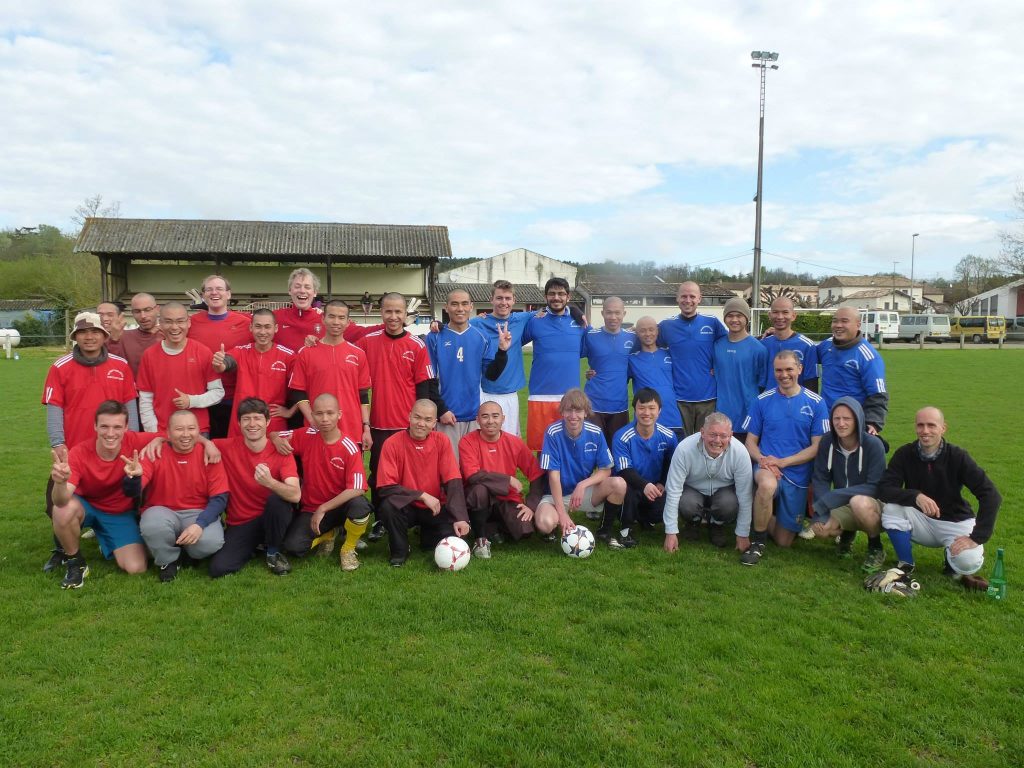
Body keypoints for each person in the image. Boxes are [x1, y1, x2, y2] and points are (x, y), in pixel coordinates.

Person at [41, 311, 139, 570]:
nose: (89, 337)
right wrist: (57, 442)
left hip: (113, 446)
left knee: (119, 492)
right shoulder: (60, 367)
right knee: (58, 498)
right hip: (75, 448)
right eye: (83, 332)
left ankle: (113, 534)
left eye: (95, 332)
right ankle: (62, 550)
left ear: (105, 336)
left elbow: (130, 404)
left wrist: (133, 441)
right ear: (75, 336)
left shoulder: (121, 366)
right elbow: (54, 407)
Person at [877, 406, 1001, 591]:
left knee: (968, 562)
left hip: (955, 523)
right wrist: (915, 496)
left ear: (943, 428)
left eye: (931, 425)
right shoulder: (905, 454)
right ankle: (906, 564)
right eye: (920, 425)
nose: (925, 431)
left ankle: (952, 561)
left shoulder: (958, 456)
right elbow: (884, 489)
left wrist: (976, 538)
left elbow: (991, 495)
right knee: (891, 510)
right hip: (922, 521)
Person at [357, 292, 440, 540]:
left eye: (398, 312)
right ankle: (382, 520)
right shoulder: (367, 342)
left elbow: (424, 387)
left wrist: (423, 423)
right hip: (380, 425)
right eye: (388, 311)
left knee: (412, 473)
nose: (393, 316)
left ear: (406, 315)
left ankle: (414, 515)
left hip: (409, 426)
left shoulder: (417, 345)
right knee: (380, 475)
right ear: (380, 313)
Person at [48, 401, 151, 589]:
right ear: (95, 426)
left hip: (118, 513)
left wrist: (161, 440)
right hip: (86, 508)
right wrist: (60, 483)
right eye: (104, 426)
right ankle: (75, 562)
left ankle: (105, 540)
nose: (110, 433)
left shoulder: (136, 441)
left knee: (136, 568)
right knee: (63, 510)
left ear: (126, 427)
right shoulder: (79, 452)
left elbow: (178, 432)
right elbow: (60, 501)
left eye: (117, 427)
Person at [740, 350, 830, 565]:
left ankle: (760, 514)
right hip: (767, 468)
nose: (784, 374)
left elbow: (817, 446)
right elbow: (750, 442)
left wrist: (783, 462)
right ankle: (758, 542)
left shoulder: (817, 403)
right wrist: (763, 460)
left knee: (784, 541)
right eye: (779, 370)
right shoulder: (762, 401)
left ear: (799, 369)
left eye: (789, 369)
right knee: (767, 486)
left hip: (797, 474)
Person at [469, 280, 587, 436]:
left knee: (510, 443)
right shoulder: (478, 322)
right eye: (499, 298)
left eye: (507, 298)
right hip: (484, 391)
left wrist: (576, 311)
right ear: (491, 300)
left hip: (511, 394)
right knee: (484, 440)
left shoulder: (522, 319)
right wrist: (438, 325)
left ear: (514, 301)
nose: (503, 302)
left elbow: (556, 306)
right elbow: (457, 327)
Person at [272, 394, 373, 571]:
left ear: (339, 414)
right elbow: (273, 434)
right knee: (294, 547)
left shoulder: (348, 446)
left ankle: (348, 548)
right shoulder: (306, 435)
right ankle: (329, 534)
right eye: (319, 413)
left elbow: (358, 488)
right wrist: (275, 439)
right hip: (311, 507)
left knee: (360, 506)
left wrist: (324, 508)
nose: (325, 419)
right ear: (312, 415)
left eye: (330, 413)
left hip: (340, 507)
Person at [126, 410, 228, 582]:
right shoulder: (154, 452)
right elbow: (132, 492)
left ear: (198, 431)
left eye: (191, 428)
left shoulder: (209, 453)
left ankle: (183, 551)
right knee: (153, 525)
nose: (186, 434)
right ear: (168, 433)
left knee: (211, 543)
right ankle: (168, 561)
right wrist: (133, 478)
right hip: (161, 511)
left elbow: (220, 498)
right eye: (179, 429)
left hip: (197, 513)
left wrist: (199, 525)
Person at [208, 398, 301, 578]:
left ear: (267, 422)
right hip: (242, 521)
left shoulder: (281, 451)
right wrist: (206, 444)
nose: (252, 424)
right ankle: (255, 546)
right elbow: (189, 437)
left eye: (257, 418)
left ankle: (273, 551)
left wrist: (270, 483)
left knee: (277, 500)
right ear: (239, 423)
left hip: (272, 517)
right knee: (218, 568)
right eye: (246, 419)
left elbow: (296, 495)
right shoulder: (226, 446)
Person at [375, 400, 471, 567]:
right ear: (409, 417)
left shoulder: (442, 441)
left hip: (435, 508)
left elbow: (453, 480)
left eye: (427, 420)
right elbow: (385, 487)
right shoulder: (392, 443)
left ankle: (426, 534)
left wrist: (460, 517)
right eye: (417, 417)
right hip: (408, 506)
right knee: (388, 506)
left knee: (446, 539)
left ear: (434, 423)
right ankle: (400, 550)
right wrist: (421, 495)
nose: (421, 423)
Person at [427, 289, 510, 457]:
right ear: (446, 308)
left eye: (465, 304)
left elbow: (491, 375)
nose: (460, 309)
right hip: (447, 415)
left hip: (474, 415)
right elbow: (429, 378)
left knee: (472, 469)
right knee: (448, 469)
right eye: (455, 304)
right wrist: (441, 410)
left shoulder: (482, 336)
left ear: (471, 306)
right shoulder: (434, 337)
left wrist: (502, 352)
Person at [809, 397, 888, 573]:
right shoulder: (827, 442)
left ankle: (875, 547)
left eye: (847, 419)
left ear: (858, 420)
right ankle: (846, 536)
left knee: (858, 502)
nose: (841, 423)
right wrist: (820, 513)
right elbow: (821, 478)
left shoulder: (873, 445)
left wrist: (831, 498)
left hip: (873, 504)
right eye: (836, 419)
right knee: (822, 531)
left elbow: (876, 486)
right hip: (842, 503)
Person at [458, 400, 544, 558]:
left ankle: (492, 528)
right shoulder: (467, 441)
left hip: (507, 498)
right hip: (478, 499)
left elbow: (537, 474)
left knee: (525, 530)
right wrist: (508, 480)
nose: (490, 421)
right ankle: (480, 539)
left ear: (503, 419)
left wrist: (531, 505)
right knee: (479, 490)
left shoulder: (514, 442)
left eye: (495, 416)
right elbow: (472, 476)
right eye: (485, 416)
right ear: (477, 420)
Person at [535, 389, 625, 538]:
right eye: (568, 410)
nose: (573, 416)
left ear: (585, 412)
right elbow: (554, 476)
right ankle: (556, 522)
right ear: (562, 412)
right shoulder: (552, 432)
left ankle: (604, 530)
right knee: (545, 523)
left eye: (578, 411)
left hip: (583, 493)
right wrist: (562, 513)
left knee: (619, 484)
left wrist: (582, 485)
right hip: (555, 494)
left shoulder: (595, 432)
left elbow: (606, 469)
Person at [662, 412, 753, 552]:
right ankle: (693, 522)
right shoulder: (684, 449)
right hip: (693, 490)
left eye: (723, 436)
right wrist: (671, 533)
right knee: (686, 503)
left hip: (723, 493)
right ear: (702, 432)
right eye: (712, 434)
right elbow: (673, 490)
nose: (717, 440)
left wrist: (743, 534)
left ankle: (717, 524)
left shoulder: (740, 452)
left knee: (729, 503)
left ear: (731, 435)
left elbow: (745, 496)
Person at [288, 300, 371, 447]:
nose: (336, 322)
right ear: (323, 319)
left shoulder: (358, 354)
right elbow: (298, 392)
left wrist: (366, 427)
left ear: (348, 322)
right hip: (316, 430)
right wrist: (313, 421)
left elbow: (363, 395)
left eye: (341, 317)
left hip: (351, 430)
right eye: (331, 316)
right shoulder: (306, 352)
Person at [137, 302, 224, 435]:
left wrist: (191, 401)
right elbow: (145, 398)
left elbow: (217, 392)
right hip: (162, 431)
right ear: (160, 323)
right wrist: (153, 431)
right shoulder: (149, 355)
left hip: (197, 432)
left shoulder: (203, 352)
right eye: (168, 322)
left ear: (188, 322)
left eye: (180, 321)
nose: (174, 327)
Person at [608, 388, 678, 549]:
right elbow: (624, 470)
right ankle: (625, 530)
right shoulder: (622, 436)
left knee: (661, 511)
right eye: (642, 408)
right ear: (635, 410)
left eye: (652, 408)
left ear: (659, 411)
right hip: (629, 485)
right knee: (629, 492)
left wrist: (662, 482)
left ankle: (645, 519)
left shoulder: (668, 436)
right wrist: (645, 485)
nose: (646, 413)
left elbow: (672, 463)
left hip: (653, 486)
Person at [522, 277, 586, 451]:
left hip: (570, 398)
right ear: (545, 297)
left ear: (568, 297)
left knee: (570, 448)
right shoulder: (535, 321)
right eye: (552, 294)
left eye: (561, 294)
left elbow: (595, 349)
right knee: (541, 449)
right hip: (540, 397)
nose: (556, 297)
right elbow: (511, 343)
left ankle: (567, 480)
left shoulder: (580, 323)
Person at [186, 275, 253, 438]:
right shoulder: (190, 323)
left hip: (233, 400)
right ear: (203, 295)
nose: (214, 293)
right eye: (209, 289)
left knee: (230, 451)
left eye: (219, 289)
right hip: (200, 399)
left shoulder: (246, 324)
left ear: (229, 294)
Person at [657, 281, 727, 436]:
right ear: (677, 298)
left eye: (692, 296)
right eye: (684, 296)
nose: (687, 300)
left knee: (707, 442)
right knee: (683, 445)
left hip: (708, 397)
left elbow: (732, 343)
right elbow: (645, 338)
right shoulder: (666, 326)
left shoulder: (712, 322)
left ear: (699, 298)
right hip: (679, 399)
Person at [211, 308, 295, 437]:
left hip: (273, 424)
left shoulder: (288, 356)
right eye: (258, 326)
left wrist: (290, 411)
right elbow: (227, 363)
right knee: (238, 457)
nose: (262, 332)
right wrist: (220, 364)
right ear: (251, 328)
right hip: (242, 422)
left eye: (267, 327)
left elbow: (302, 387)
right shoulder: (241, 352)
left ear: (276, 328)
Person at [817, 307, 888, 438]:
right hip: (824, 420)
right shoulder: (825, 346)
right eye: (835, 321)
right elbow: (802, 354)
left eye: (844, 321)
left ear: (858, 325)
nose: (838, 325)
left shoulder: (868, 356)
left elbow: (878, 394)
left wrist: (873, 423)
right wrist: (776, 333)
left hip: (850, 423)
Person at [582, 296, 635, 448]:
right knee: (592, 449)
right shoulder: (590, 335)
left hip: (619, 405)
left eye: (617, 313)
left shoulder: (633, 337)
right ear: (602, 313)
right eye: (609, 313)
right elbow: (572, 354)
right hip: (593, 404)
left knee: (617, 450)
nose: (613, 317)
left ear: (624, 314)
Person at [712, 297, 768, 442]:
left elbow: (762, 385)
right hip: (721, 415)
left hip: (748, 415)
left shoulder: (759, 349)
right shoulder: (716, 345)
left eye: (739, 316)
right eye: (730, 315)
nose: (734, 320)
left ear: (747, 318)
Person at [627, 316, 683, 438]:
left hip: (673, 419)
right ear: (637, 333)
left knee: (675, 457)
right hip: (647, 422)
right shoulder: (632, 359)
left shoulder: (670, 353)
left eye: (651, 329)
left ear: (657, 331)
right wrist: (593, 373)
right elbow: (616, 377)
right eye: (642, 330)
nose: (648, 334)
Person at [759, 297, 819, 392]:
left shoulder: (807, 346)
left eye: (785, 312)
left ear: (793, 316)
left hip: (796, 403)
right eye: (775, 312)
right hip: (769, 403)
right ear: (769, 315)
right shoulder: (763, 344)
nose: (780, 317)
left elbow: (811, 382)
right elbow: (760, 381)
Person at [106, 293, 163, 374]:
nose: (143, 316)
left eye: (147, 310)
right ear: (132, 313)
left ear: (157, 309)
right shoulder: (122, 337)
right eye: (137, 311)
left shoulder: (169, 337)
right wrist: (113, 340)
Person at [273, 268, 325, 352]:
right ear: (290, 290)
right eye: (297, 286)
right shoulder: (275, 317)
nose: (302, 291)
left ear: (315, 292)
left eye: (307, 287)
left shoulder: (326, 320)